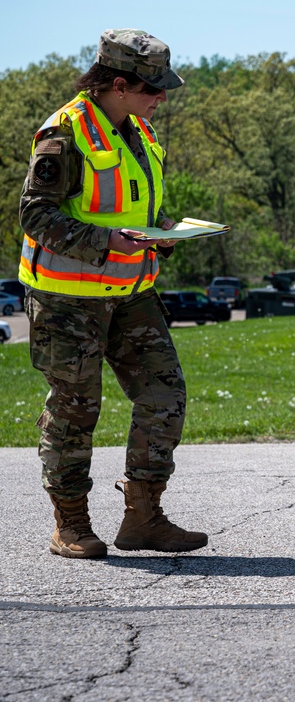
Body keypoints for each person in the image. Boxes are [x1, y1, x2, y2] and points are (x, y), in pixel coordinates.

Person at [19, 29, 207, 559]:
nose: (161, 98)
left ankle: (143, 518)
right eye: (153, 88)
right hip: (67, 301)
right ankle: (71, 525)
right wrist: (107, 241)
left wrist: (163, 231)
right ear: (118, 85)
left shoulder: (137, 132)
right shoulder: (64, 133)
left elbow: (128, 206)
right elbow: (35, 216)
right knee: (77, 411)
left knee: (164, 397)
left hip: (132, 293)